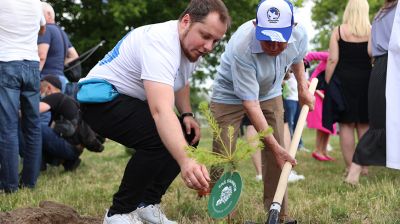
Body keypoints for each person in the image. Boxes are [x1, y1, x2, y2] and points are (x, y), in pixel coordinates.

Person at [78, 0, 230, 223]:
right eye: (205, 36)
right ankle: (119, 212)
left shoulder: (191, 48)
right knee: (162, 137)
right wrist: (186, 161)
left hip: (127, 100)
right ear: (186, 21)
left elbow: (180, 81)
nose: (209, 46)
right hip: (100, 100)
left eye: (215, 41)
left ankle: (147, 204)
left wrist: (187, 115)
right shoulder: (160, 41)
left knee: (187, 136)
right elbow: (160, 111)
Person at [210, 0, 314, 222]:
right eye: (267, 38)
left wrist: (303, 89)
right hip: (228, 96)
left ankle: (278, 215)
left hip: (270, 91)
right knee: (224, 154)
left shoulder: (300, 34)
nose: (274, 46)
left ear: (292, 28)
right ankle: (223, 215)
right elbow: (250, 103)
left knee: (279, 155)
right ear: (256, 26)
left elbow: (297, 60)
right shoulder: (243, 45)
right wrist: (275, 148)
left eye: (280, 39)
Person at [345, 0, 398, 185]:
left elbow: (370, 50)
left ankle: (353, 173)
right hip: (394, 68)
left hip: (379, 69)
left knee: (378, 122)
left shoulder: (379, 15)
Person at [0, 0, 45, 193]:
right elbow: (42, 29)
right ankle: (29, 182)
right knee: (33, 127)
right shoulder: (36, 3)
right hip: (32, 65)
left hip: (7, 61)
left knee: (8, 127)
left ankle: (9, 186)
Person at [325, 0, 371, 174]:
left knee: (346, 125)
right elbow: (373, 56)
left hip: (344, 82)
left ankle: (351, 167)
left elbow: (332, 59)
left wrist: (328, 82)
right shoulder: (372, 30)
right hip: (366, 82)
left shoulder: (338, 31)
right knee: (364, 124)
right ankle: (364, 167)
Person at [38, 2, 79, 93]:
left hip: (46, 81)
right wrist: (57, 64)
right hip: (61, 80)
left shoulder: (46, 29)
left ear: (48, 14)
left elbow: (41, 56)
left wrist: (33, 76)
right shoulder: (61, 32)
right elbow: (74, 55)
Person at [304, 51, 337, 161]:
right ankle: (318, 151)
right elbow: (310, 55)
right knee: (322, 124)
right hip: (317, 92)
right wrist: (304, 66)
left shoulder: (341, 62)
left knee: (329, 125)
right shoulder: (330, 56)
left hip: (327, 94)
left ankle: (323, 151)